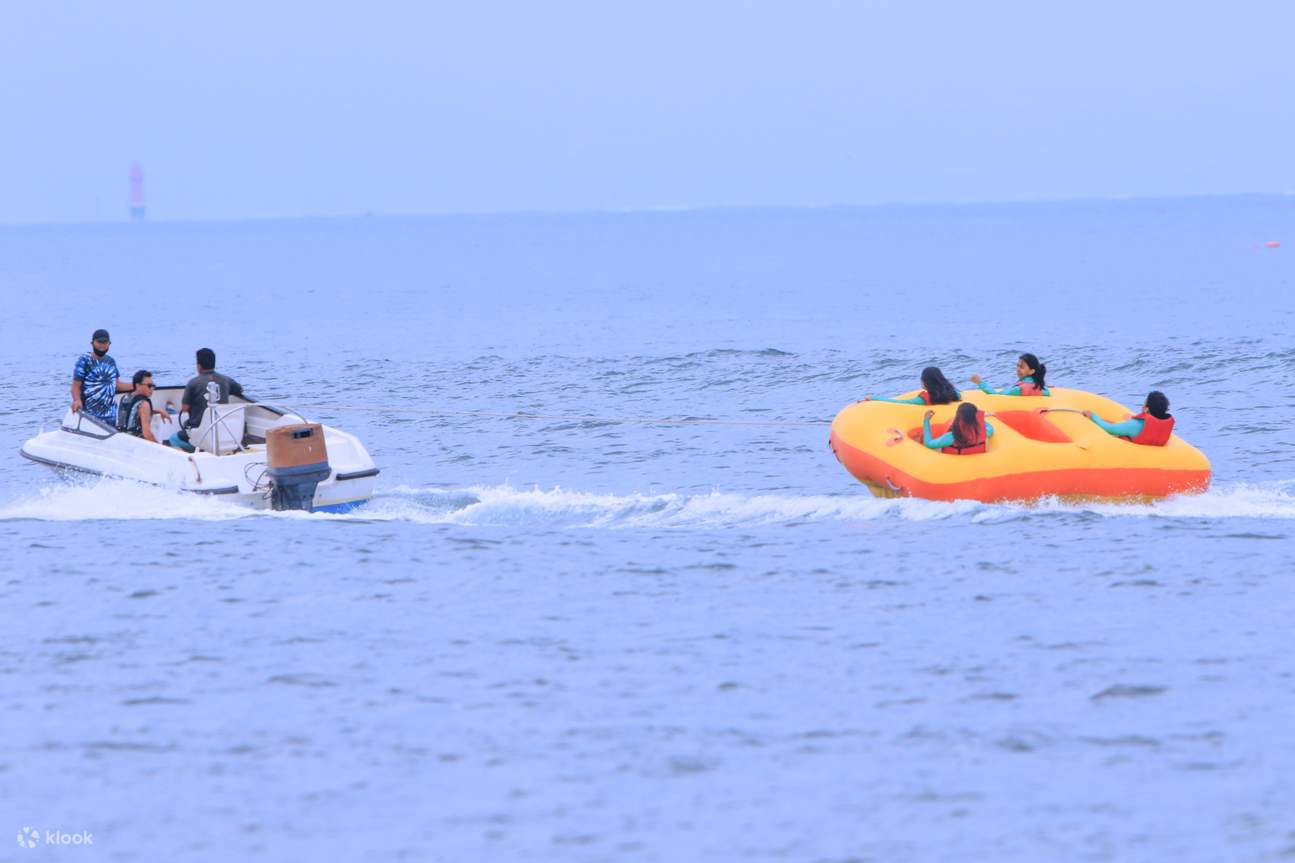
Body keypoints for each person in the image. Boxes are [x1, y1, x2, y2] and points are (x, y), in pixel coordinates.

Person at [169, 348, 245, 452]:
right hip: (223, 431)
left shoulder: (193, 383)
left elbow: (185, 408)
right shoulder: (226, 380)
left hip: (200, 433)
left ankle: (193, 456)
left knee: (173, 439)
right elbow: (240, 389)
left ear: (199, 365)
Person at [70, 328, 132, 424]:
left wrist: (138, 385)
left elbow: (117, 385)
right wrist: (77, 400)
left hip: (111, 415)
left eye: (105, 342)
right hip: (90, 415)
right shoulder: (85, 360)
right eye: (99, 342)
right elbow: (75, 386)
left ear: (109, 344)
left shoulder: (111, 361)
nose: (102, 345)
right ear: (92, 343)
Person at [1083, 391, 1175, 446]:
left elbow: (1109, 429)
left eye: (1144, 403)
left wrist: (1093, 416)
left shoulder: (1135, 425)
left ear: (1146, 409)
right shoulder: (1164, 424)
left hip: (1127, 445)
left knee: (1112, 427)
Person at [117, 370, 170, 443]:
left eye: (153, 386)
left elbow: (134, 412)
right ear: (138, 385)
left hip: (122, 440)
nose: (152, 389)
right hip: (137, 444)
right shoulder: (144, 404)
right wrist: (161, 448)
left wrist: (158, 410)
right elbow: (147, 434)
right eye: (149, 386)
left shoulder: (125, 398)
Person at [865, 366, 962, 405]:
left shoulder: (925, 398)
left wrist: (874, 397)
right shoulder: (953, 393)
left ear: (925, 382)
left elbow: (900, 403)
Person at [923, 403, 995, 454]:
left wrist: (926, 421)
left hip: (956, 467)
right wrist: (981, 418)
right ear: (975, 418)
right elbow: (990, 427)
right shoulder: (984, 432)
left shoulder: (952, 437)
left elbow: (929, 444)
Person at [970, 352, 1050, 397]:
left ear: (1031, 371)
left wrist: (980, 382)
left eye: (1021, 367)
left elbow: (995, 395)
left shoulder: (1018, 390)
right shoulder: (1042, 389)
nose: (1018, 369)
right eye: (1017, 366)